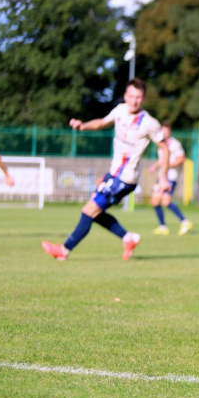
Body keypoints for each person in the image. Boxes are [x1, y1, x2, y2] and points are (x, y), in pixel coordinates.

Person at [42, 78, 169, 261]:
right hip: (114, 174)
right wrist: (83, 126)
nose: (134, 100)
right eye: (131, 96)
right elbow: (102, 123)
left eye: (139, 97)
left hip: (125, 178)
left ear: (144, 98)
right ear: (125, 96)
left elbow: (164, 148)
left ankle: (63, 251)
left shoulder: (149, 122)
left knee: (89, 211)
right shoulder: (120, 110)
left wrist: (162, 176)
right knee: (95, 212)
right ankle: (128, 238)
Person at [149, 124, 193, 236]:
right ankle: (163, 226)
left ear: (170, 132)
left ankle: (185, 221)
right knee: (154, 201)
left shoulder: (175, 144)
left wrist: (169, 165)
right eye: (162, 131)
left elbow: (181, 158)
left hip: (170, 177)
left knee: (166, 202)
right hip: (161, 176)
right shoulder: (161, 143)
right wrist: (154, 166)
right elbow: (162, 159)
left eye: (166, 131)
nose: (164, 133)